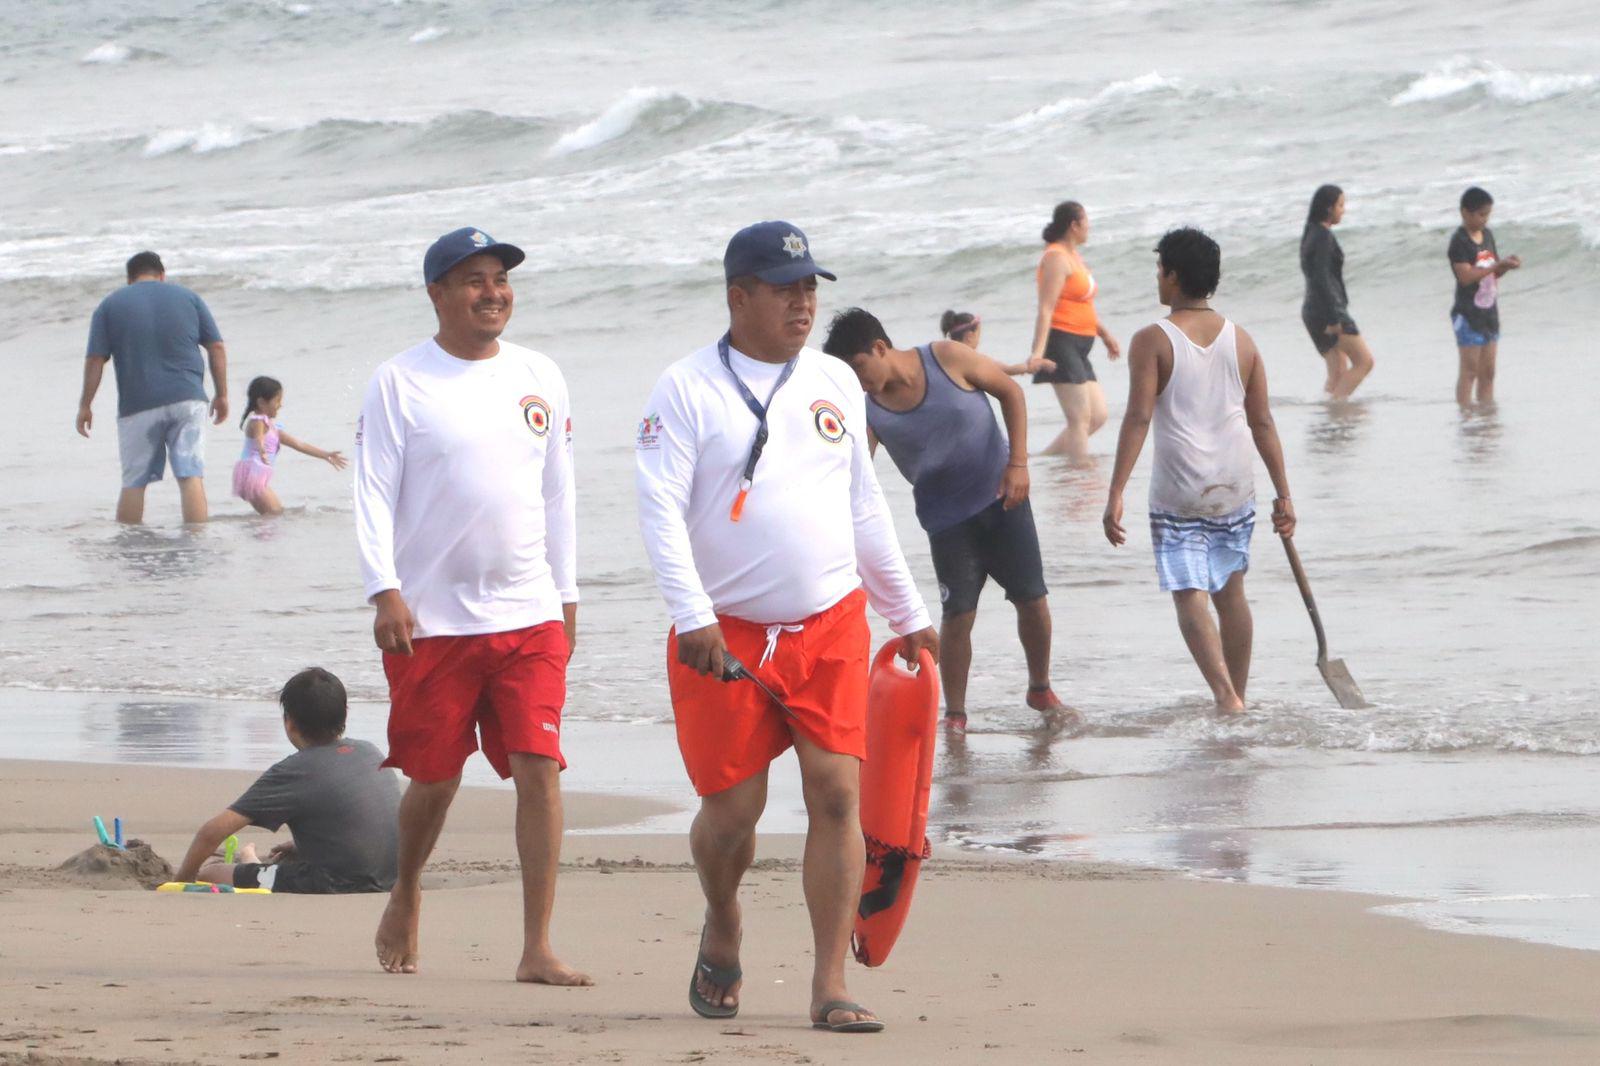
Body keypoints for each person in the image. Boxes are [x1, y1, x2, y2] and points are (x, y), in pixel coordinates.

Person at [635, 221, 939, 1034]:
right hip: (723, 635)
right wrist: (691, 613)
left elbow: (862, 502)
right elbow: (659, 509)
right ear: (739, 297)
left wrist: (907, 612)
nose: (803, 303)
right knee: (733, 816)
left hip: (831, 622)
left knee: (838, 792)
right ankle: (724, 916)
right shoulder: (686, 387)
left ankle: (829, 981)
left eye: (810, 287)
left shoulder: (837, 380)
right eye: (784, 288)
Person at [354, 226, 588, 986]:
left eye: (501, 280)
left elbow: (560, 493)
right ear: (438, 294)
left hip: (528, 614)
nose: (493, 293)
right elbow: (372, 493)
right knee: (436, 779)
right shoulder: (399, 380)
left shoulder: (540, 374)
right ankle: (408, 889)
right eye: (474, 281)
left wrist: (568, 591)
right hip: (433, 621)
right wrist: (382, 587)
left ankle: (539, 946)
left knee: (538, 767)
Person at [823, 306, 1075, 732]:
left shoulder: (946, 357)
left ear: (880, 347)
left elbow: (1011, 393)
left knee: (1031, 599)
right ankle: (955, 714)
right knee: (958, 615)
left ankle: (1040, 687)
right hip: (945, 522)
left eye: (860, 368)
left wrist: (1019, 465)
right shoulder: (867, 410)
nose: (858, 381)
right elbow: (855, 474)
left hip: (1003, 500)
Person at [1103, 228, 1295, 713]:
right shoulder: (1242, 340)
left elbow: (1139, 417)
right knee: (1231, 591)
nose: (1158, 279)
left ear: (1172, 275)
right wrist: (1284, 494)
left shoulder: (1153, 339)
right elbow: (1263, 422)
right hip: (1236, 485)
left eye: (1159, 270)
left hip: (1180, 488)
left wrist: (1116, 491)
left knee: (1189, 592)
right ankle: (1240, 696)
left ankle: (1226, 696)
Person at [172, 667, 401, 893]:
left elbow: (212, 832)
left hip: (339, 883)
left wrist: (182, 879)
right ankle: (253, 861)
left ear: (289, 722)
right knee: (290, 860)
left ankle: (250, 859)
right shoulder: (370, 752)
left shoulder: (293, 771)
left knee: (211, 873)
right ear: (345, 713)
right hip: (396, 874)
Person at [75, 251, 229, 524]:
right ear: (162, 275)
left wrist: (85, 405)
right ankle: (196, 545)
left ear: (129, 279)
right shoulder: (189, 297)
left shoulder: (109, 305)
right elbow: (216, 346)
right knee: (190, 475)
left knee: (134, 482)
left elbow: (95, 360)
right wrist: (222, 394)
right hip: (188, 399)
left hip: (138, 405)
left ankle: (131, 551)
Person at [1027, 202, 1121, 465]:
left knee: (1098, 415)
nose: (1089, 228)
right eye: (1086, 222)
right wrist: (1036, 353)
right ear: (1074, 225)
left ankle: (1042, 460)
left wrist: (1104, 335)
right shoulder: (1056, 258)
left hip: (1081, 344)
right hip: (1061, 341)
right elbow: (1046, 308)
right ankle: (1080, 473)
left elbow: (1083, 303)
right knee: (1079, 419)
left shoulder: (1074, 257)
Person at [1299, 185, 1375, 401]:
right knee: (1364, 362)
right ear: (1328, 208)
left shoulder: (1310, 232)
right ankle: (1337, 408)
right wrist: (1334, 318)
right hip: (1327, 311)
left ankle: (1331, 421)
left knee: (1338, 370)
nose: (1343, 210)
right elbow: (1322, 278)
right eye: (1341, 205)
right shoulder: (1323, 236)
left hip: (1311, 311)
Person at [234, 375, 348, 515]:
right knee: (273, 514)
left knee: (275, 513)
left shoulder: (272, 428)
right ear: (262, 402)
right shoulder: (258, 421)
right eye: (277, 400)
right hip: (253, 476)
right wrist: (262, 450)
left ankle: (259, 534)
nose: (280, 405)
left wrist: (325, 455)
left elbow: (299, 444)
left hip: (255, 477)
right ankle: (260, 535)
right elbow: (258, 437)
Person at [1449, 186, 1521, 407]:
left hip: (1489, 312)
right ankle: (1465, 417)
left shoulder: (1487, 235)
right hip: (1468, 313)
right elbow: (1466, 277)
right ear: (1465, 213)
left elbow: (1493, 271)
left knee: (1488, 372)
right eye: (1481, 215)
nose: (1485, 220)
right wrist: (1496, 266)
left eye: (1487, 214)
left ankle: (1485, 419)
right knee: (1469, 371)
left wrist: (1506, 266)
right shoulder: (1459, 241)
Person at [939, 309, 1054, 376]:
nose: (979, 340)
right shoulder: (973, 358)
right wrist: (1037, 364)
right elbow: (1008, 369)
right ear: (970, 336)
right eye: (979, 334)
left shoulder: (944, 356)